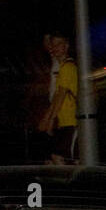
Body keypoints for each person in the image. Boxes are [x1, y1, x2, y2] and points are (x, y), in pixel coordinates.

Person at [38, 32, 77, 165]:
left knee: (60, 157)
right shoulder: (62, 68)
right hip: (64, 122)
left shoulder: (68, 67)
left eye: (58, 44)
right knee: (58, 157)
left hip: (71, 121)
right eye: (53, 45)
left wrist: (50, 119)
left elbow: (60, 95)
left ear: (66, 46)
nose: (55, 47)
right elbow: (57, 95)